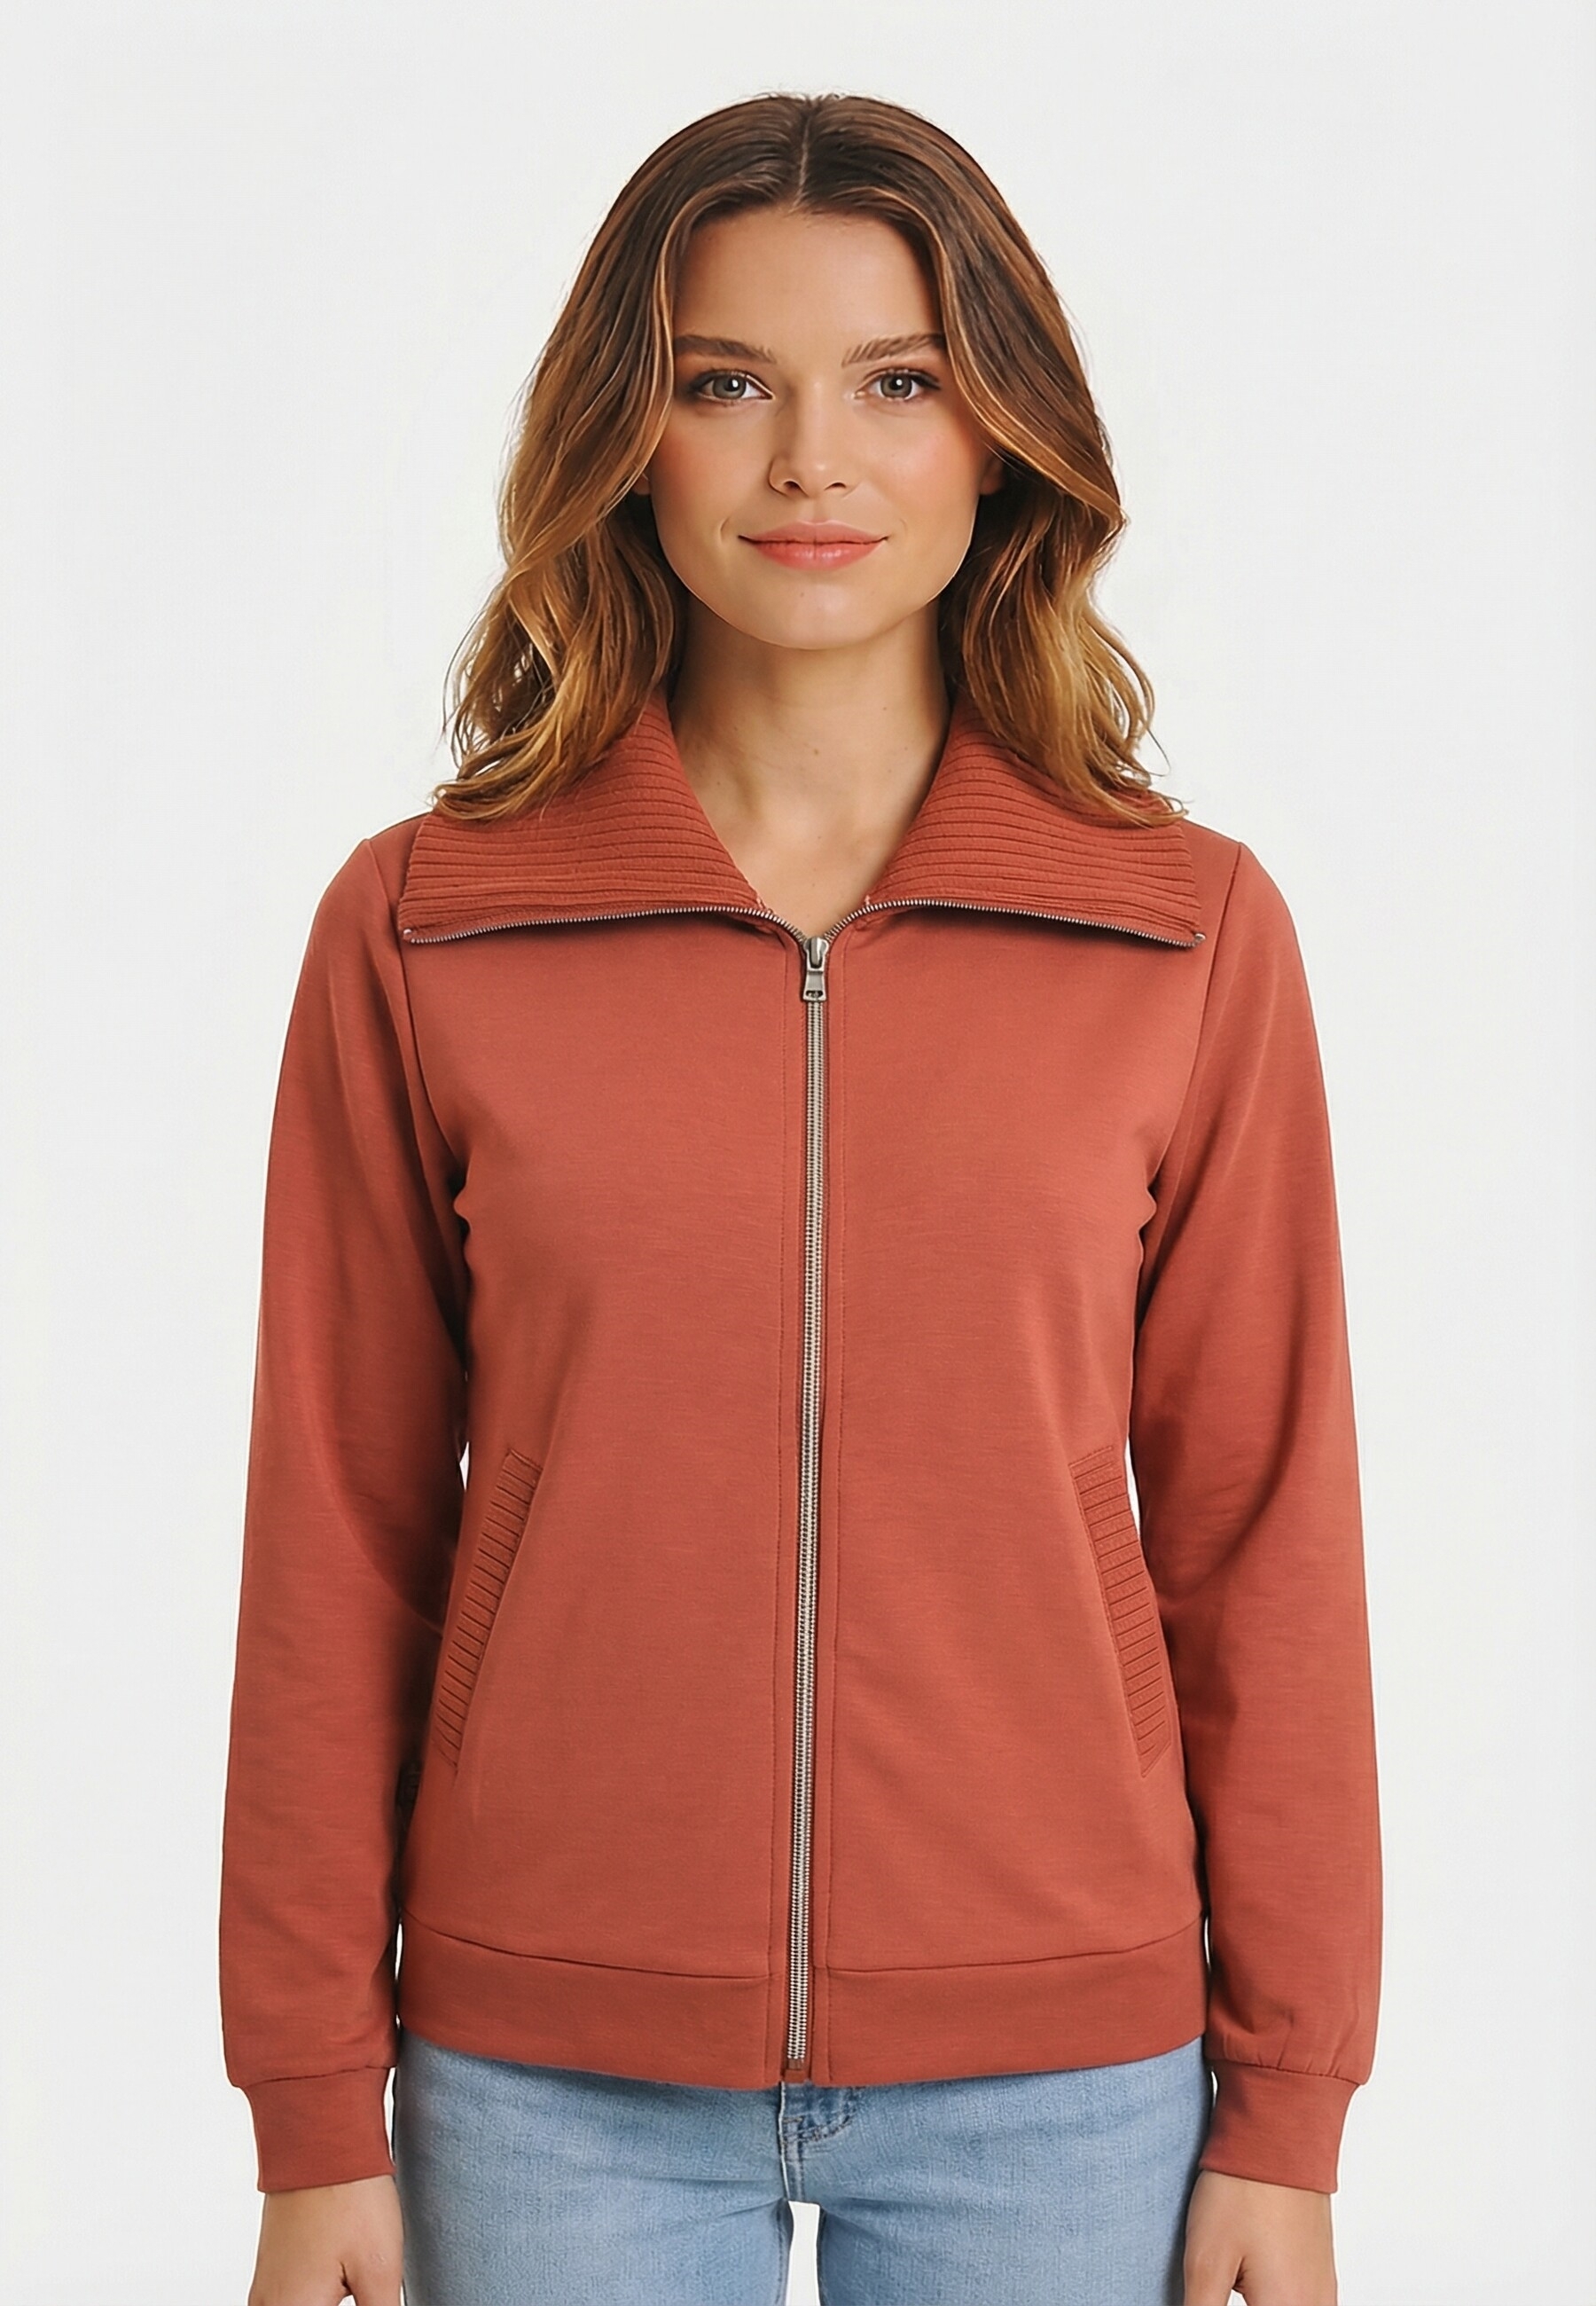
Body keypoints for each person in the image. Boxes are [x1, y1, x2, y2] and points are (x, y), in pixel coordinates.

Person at [219, 90, 1381, 2306]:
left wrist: (1288, 2107)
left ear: (1003, 437)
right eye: (727, 383)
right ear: (624, 439)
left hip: (1067, 2072)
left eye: (898, 382)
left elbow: (1265, 1535)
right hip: (542, 2071)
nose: (811, 464)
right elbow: (337, 1539)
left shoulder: (1183, 933)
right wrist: (308, 2107)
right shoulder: (428, 926)